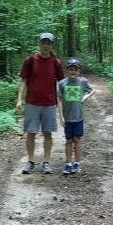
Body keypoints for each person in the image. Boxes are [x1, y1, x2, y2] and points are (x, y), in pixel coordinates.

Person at [16, 32, 65, 174]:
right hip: (32, 103)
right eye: (43, 42)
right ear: (39, 43)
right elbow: (24, 81)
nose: (45, 45)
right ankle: (30, 161)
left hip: (49, 103)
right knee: (30, 133)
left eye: (48, 43)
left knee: (47, 133)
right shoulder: (30, 60)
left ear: (51, 45)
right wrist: (19, 99)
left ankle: (46, 162)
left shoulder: (56, 62)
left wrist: (64, 100)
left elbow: (60, 83)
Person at [57, 58, 94, 174]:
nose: (73, 71)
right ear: (67, 70)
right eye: (71, 69)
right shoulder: (62, 83)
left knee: (77, 140)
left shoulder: (82, 81)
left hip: (78, 117)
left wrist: (85, 97)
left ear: (78, 71)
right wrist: (61, 117)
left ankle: (77, 163)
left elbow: (92, 90)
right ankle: (68, 163)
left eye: (75, 69)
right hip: (68, 118)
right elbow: (59, 100)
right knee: (68, 140)